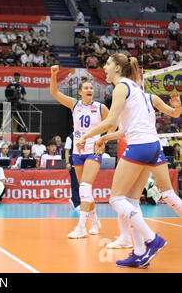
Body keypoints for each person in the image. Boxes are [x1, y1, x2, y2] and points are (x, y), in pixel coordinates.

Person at [76, 53, 170, 268]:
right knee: (132, 200)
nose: (105, 67)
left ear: (117, 68)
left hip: (139, 146)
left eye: (108, 64)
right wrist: (104, 137)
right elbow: (116, 127)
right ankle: (138, 253)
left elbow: (110, 121)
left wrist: (86, 137)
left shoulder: (121, 87)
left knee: (116, 199)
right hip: (151, 145)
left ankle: (151, 239)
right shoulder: (134, 88)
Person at [93, 90, 182, 251]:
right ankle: (127, 239)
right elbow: (124, 131)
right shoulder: (126, 100)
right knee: (129, 198)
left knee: (123, 197)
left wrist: (178, 106)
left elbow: (174, 113)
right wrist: (104, 137)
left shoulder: (147, 98)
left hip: (144, 148)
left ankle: (132, 239)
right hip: (146, 148)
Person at [51, 65, 109, 238]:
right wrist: (53, 74)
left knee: (85, 186)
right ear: (80, 92)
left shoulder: (100, 108)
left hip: (93, 150)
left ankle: (81, 226)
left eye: (91, 87)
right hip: (78, 151)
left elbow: (113, 125)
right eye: (86, 88)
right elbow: (54, 93)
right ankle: (96, 221)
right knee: (86, 191)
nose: (90, 89)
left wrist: (103, 140)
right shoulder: (74, 105)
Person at [64, 133, 80, 211]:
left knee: (82, 183)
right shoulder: (70, 138)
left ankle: (80, 201)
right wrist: (67, 162)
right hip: (73, 162)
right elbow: (67, 151)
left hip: (82, 162)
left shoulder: (84, 135)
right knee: (75, 183)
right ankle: (76, 202)